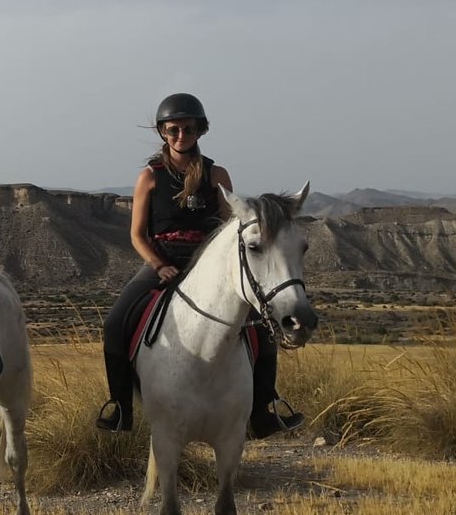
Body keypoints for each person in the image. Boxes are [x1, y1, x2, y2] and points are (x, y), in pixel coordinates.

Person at [95, 93, 304, 438]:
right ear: (163, 131)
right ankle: (120, 407)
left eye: (188, 128)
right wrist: (158, 265)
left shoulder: (217, 174)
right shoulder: (150, 177)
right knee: (115, 323)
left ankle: (265, 408)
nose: (181, 135)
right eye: (174, 129)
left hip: (208, 265)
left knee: (261, 327)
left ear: (200, 130)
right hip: (163, 260)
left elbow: (230, 229)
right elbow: (137, 235)